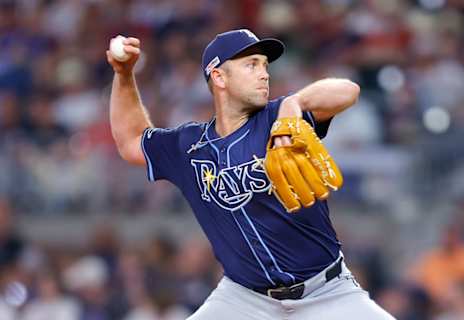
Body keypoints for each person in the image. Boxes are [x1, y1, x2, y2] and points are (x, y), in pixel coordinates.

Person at [107, 29, 395, 319]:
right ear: (219, 77)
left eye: (264, 65)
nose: (264, 74)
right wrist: (123, 74)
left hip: (327, 292)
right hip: (243, 299)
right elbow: (131, 141)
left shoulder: (278, 118)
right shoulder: (189, 146)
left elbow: (348, 91)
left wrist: (294, 104)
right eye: (251, 64)